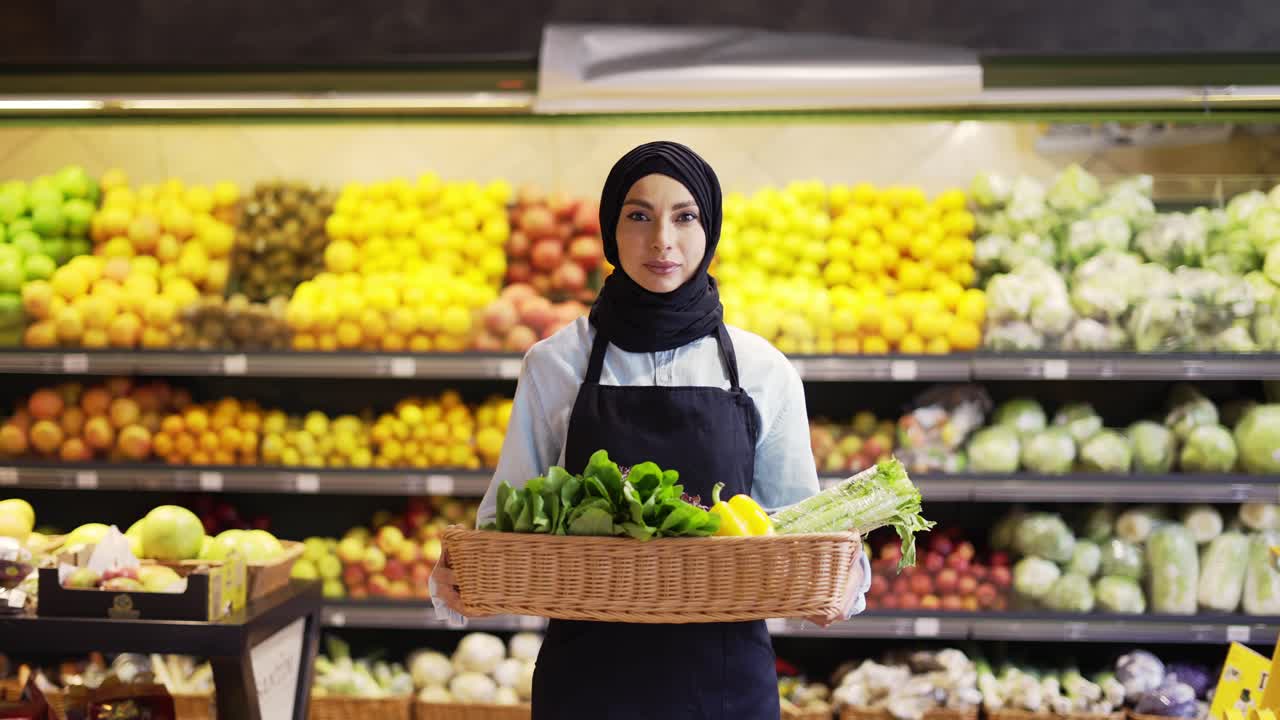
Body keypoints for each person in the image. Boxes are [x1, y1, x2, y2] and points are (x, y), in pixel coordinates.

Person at [431, 141, 870, 720]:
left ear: (709, 229)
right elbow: (504, 521)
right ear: (611, 231)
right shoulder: (555, 364)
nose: (662, 240)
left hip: (725, 685)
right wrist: (460, 573)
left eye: (684, 216)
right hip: (587, 685)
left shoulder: (763, 370)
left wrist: (844, 580)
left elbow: (800, 525)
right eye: (639, 216)